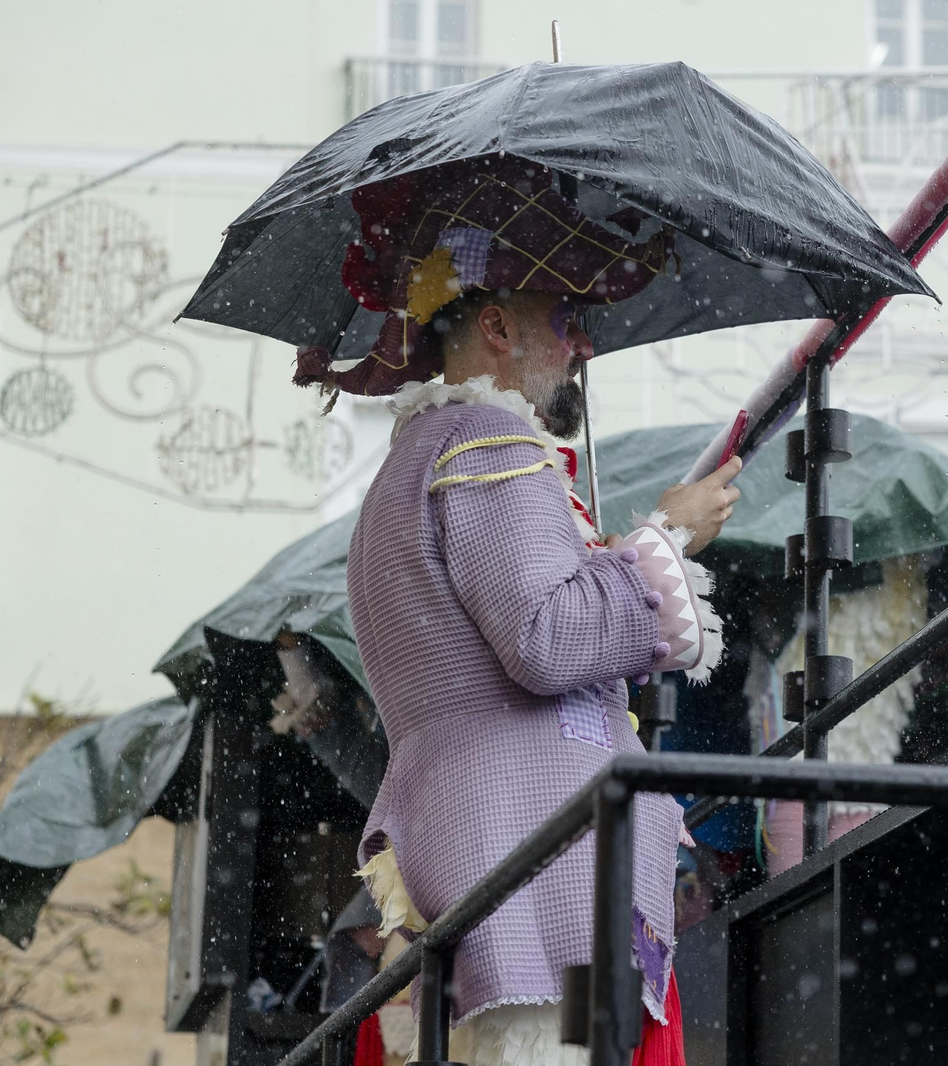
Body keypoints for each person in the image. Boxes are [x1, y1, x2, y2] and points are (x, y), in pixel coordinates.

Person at [306, 158, 741, 1066]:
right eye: (565, 320)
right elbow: (546, 640)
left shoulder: (414, 458)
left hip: (491, 856)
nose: (580, 346)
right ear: (497, 327)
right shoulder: (491, 438)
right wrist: (665, 537)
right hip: (536, 873)